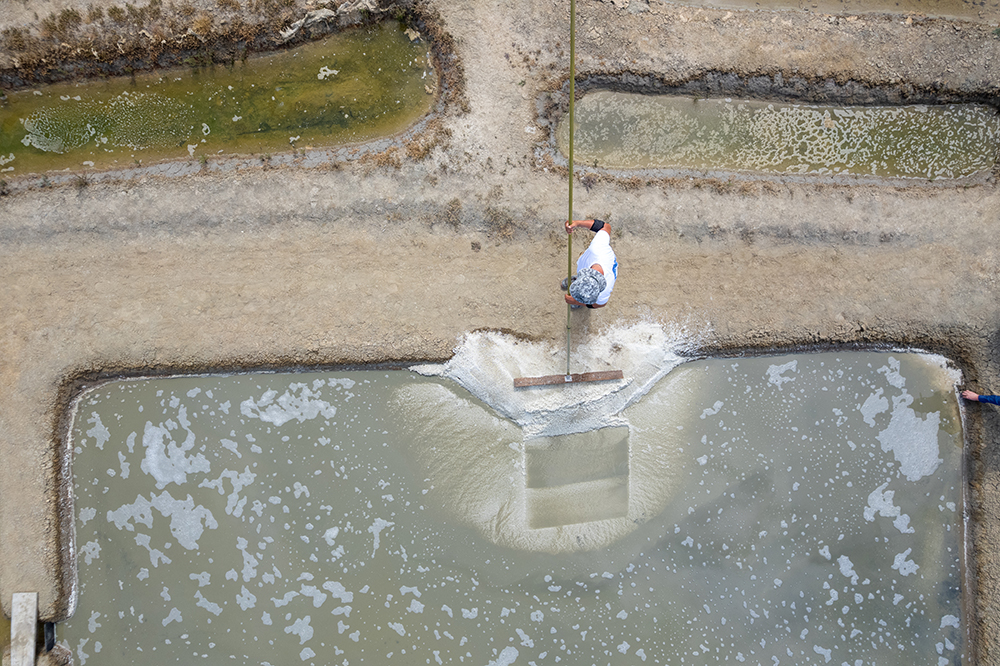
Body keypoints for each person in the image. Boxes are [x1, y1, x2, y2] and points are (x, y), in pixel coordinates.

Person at [562, 218, 618, 309]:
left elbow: (600, 304)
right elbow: (605, 226)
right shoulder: (597, 249)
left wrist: (577, 302)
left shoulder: (605, 289)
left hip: (601, 264)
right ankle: (576, 279)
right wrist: (576, 223)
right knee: (582, 257)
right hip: (594, 256)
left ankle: (579, 299)